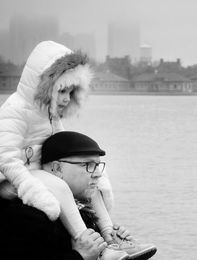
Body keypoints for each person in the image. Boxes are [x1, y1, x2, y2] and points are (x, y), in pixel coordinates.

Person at [0, 41, 155, 259]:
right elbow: (5, 159)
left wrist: (92, 170)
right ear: (44, 85)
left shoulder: (49, 113)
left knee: (96, 180)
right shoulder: (14, 110)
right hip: (15, 180)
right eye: (61, 91)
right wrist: (32, 189)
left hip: (41, 172)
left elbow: (62, 142)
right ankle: (93, 247)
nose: (66, 98)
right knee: (61, 187)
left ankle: (111, 238)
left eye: (71, 92)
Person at [0, 131, 157, 260]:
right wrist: (79, 255)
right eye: (88, 165)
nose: (97, 174)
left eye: (98, 165)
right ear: (56, 168)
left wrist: (119, 248)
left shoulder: (83, 212)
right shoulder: (25, 216)